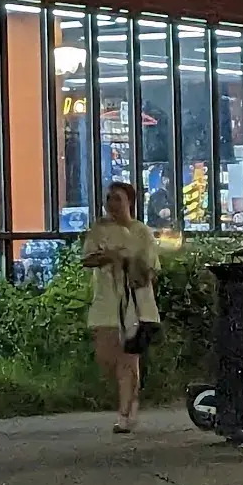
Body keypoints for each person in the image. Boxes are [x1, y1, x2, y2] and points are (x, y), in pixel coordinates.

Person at [82, 180, 159, 434]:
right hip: (106, 302)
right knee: (107, 356)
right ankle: (131, 398)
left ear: (129, 202)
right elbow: (87, 259)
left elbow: (149, 271)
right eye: (108, 199)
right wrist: (109, 256)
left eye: (117, 198)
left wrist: (129, 261)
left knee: (128, 358)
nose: (111, 204)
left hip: (136, 305)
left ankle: (125, 414)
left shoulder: (142, 232)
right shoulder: (99, 229)